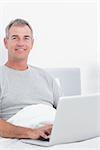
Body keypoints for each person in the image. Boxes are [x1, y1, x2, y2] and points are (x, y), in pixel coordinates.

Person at [0, 19, 61, 140]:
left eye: (26, 38)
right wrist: (30, 132)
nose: (20, 43)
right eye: (15, 38)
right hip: (23, 138)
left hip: (54, 136)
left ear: (32, 43)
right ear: (5, 43)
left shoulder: (46, 77)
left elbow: (66, 113)